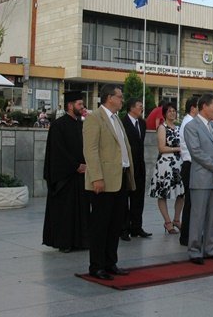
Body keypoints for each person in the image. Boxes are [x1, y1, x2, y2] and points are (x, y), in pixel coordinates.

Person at [83, 84, 135, 281]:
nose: (122, 100)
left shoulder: (116, 120)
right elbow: (91, 150)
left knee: (115, 225)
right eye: (119, 97)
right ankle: (96, 266)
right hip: (103, 180)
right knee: (100, 225)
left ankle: (110, 262)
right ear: (109, 98)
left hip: (119, 178)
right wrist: (97, 177)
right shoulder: (94, 118)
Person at [183, 93, 213, 265]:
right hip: (202, 177)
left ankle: (210, 248)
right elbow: (196, 152)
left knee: (212, 216)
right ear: (204, 106)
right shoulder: (191, 126)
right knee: (198, 215)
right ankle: (194, 250)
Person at [42, 91, 89, 253]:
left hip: (81, 176)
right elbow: (58, 151)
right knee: (66, 211)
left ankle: (80, 241)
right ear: (70, 106)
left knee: (81, 210)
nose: (82, 107)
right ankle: (65, 242)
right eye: (79, 104)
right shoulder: (58, 125)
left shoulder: (81, 124)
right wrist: (76, 166)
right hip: (65, 177)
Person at [149, 102, 184, 235]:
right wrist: (177, 149)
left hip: (178, 164)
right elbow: (162, 148)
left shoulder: (178, 127)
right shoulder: (162, 127)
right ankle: (167, 221)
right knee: (163, 193)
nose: (172, 113)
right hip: (165, 164)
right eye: (169, 111)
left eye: (174, 111)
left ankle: (176, 219)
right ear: (164, 113)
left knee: (181, 193)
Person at [120, 98, 151, 240]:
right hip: (127, 166)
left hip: (140, 165)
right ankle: (124, 228)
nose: (142, 109)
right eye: (139, 106)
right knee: (125, 198)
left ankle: (137, 227)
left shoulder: (142, 124)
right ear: (131, 108)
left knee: (138, 198)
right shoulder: (122, 123)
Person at [178, 96, 198, 246]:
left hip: (192, 164)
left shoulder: (189, 121)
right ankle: (186, 236)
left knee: (192, 203)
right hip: (190, 164)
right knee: (191, 203)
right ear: (193, 108)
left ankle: (189, 235)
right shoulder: (190, 123)